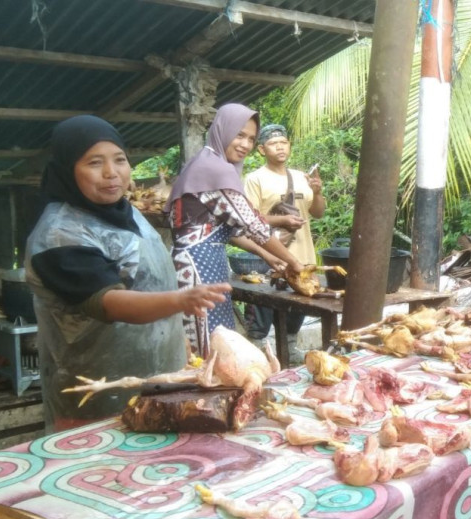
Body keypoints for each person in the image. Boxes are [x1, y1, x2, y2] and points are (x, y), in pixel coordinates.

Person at [25, 115, 230, 433]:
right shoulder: (58, 235)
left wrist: (178, 342)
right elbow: (109, 303)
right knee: (98, 478)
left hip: (160, 383)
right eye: (95, 163)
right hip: (96, 394)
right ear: (68, 169)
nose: (111, 173)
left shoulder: (127, 212)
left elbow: (151, 281)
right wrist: (180, 300)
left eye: (119, 160)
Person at [167, 104, 303, 358]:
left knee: (216, 340)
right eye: (239, 135)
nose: (245, 144)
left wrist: (269, 256)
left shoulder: (206, 162)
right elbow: (255, 225)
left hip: (203, 260)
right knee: (206, 342)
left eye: (251, 138)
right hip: (197, 266)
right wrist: (294, 262)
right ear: (222, 129)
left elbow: (231, 231)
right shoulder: (215, 170)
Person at [237, 123, 325, 353]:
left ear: (289, 146)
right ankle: (256, 352)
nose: (279, 147)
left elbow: (318, 213)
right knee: (263, 308)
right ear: (262, 150)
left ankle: (290, 348)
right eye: (273, 144)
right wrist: (282, 220)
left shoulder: (301, 176)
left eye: (283, 142)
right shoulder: (255, 179)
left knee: (299, 307)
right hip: (270, 256)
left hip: (303, 254)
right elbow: (248, 219)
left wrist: (317, 193)